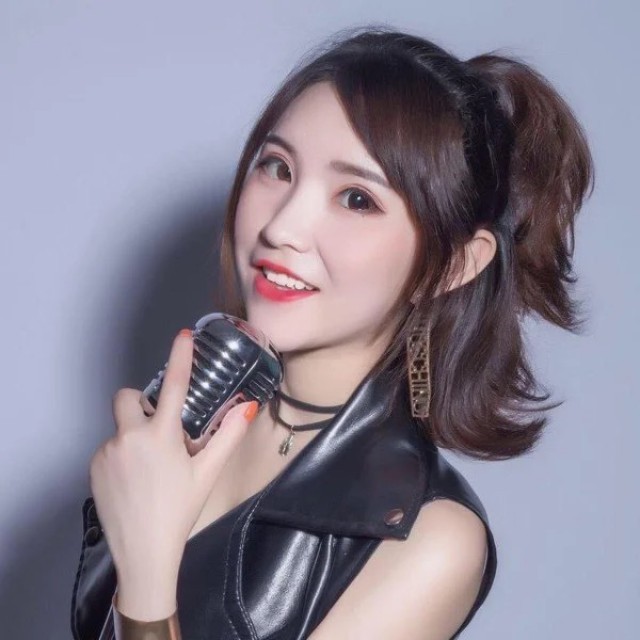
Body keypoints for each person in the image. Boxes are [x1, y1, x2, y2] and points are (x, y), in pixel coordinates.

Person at [71, 25, 594, 640]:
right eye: (277, 167)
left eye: (356, 199)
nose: (283, 228)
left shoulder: (432, 539)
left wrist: (147, 574)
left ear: (454, 264)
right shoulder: (190, 413)